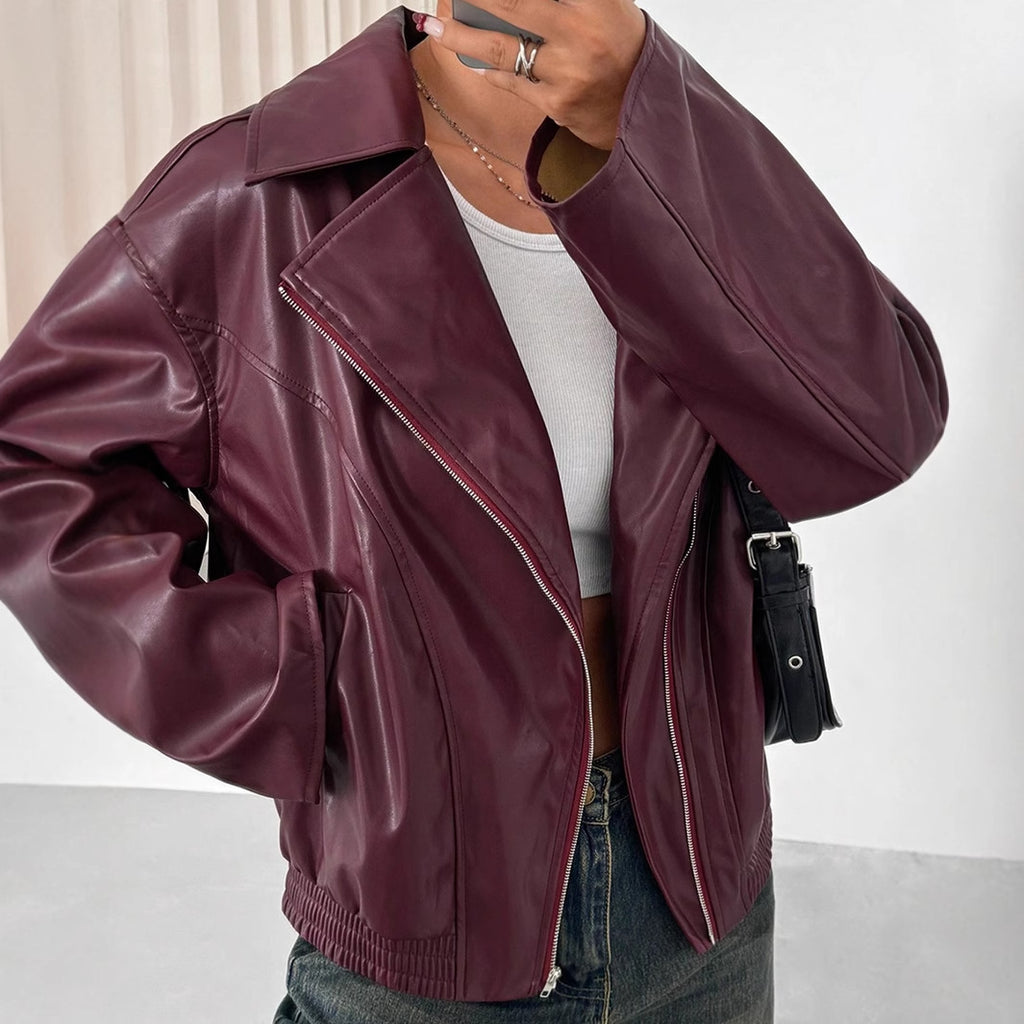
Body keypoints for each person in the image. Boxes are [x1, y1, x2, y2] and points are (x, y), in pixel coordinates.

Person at [0, 1, 947, 1021]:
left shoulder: (684, 164)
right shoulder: (256, 191)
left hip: (699, 901)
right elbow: (32, 464)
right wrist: (287, 680)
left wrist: (653, 112)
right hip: (424, 914)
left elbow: (880, 423)